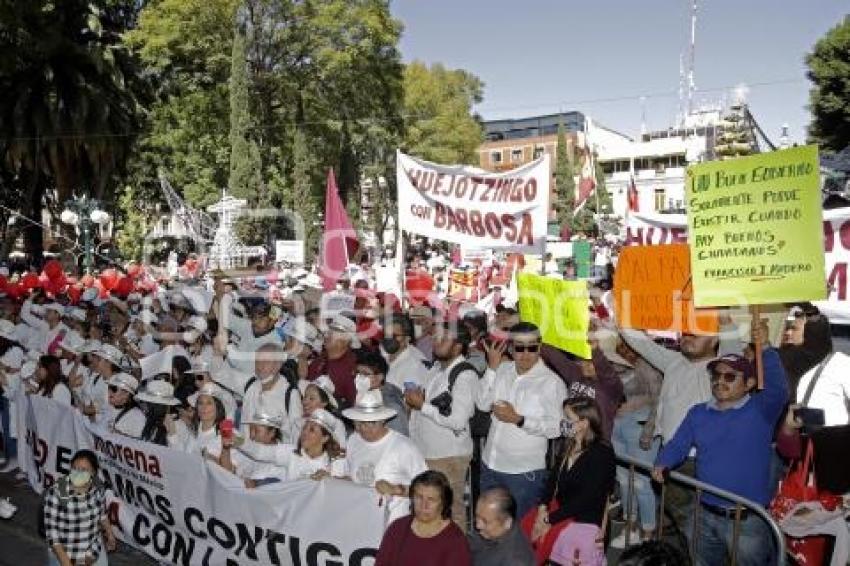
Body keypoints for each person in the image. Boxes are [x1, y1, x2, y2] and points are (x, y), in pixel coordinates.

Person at [652, 342, 788, 566]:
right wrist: (663, 461)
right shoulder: (698, 412)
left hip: (746, 521)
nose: (720, 381)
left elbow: (779, 390)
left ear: (749, 383)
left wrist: (765, 348)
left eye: (730, 377)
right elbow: (678, 444)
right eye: (716, 375)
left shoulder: (760, 411)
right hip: (703, 513)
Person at [477, 322, 566, 519]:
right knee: (488, 525)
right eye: (519, 348)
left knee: (520, 534)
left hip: (523, 473)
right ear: (510, 348)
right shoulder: (502, 370)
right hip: (489, 464)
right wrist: (491, 369)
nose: (526, 353)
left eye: (532, 347)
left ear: (540, 347)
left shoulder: (551, 383)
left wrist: (519, 420)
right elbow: (482, 404)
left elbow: (557, 428)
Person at [524, 396, 615, 566]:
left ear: (584, 423)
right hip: (560, 515)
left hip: (583, 521)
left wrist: (548, 520)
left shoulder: (601, 454)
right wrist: (543, 508)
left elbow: (588, 498)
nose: (563, 422)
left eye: (568, 418)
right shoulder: (568, 446)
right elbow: (552, 481)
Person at [406, 321, 478, 531]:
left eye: (443, 339)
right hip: (429, 452)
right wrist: (415, 406)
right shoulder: (437, 369)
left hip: (448, 456)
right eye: (436, 337)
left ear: (457, 346)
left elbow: (457, 420)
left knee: (451, 511)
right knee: (429, 510)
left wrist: (422, 406)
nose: (436, 342)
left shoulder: (464, 375)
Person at [342, 389, 427, 524]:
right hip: (360, 520)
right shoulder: (353, 441)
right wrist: (329, 480)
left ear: (383, 420)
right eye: (361, 423)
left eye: (372, 422)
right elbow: (350, 478)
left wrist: (395, 489)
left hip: (393, 524)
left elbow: (427, 488)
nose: (366, 428)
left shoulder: (403, 446)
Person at [375, 470, 472, 566]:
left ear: (443, 503)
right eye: (419, 497)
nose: (424, 505)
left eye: (431, 499)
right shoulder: (397, 528)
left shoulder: (455, 541)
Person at [230, 408, 346, 483]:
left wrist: (330, 480)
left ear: (325, 438)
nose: (304, 432)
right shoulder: (291, 453)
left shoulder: (335, 462)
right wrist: (237, 440)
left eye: (311, 430)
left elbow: (346, 490)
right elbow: (260, 452)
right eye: (305, 427)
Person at [43, 449, 117, 566]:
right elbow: (53, 535)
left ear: (93, 472)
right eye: (75, 468)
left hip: (92, 553)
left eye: (84, 470)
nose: (78, 473)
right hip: (65, 555)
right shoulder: (57, 492)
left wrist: (110, 534)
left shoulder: (97, 489)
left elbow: (101, 515)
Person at [241, 343, 303, 444]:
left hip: (276, 455)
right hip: (247, 452)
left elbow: (297, 433)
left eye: (266, 361)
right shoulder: (251, 386)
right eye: (258, 361)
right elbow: (220, 374)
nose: (260, 365)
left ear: (277, 365)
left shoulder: (290, 394)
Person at [468, 487, 534, 566]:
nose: (477, 525)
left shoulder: (515, 560)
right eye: (477, 516)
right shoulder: (494, 531)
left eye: (485, 521)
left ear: (507, 523)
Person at [308, 314, 360, 407]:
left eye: (332, 334)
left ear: (344, 341)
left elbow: (354, 405)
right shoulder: (318, 360)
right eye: (328, 332)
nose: (326, 336)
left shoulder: (352, 368)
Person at [355, 350, 408, 436]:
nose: (359, 377)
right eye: (358, 373)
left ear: (380, 377)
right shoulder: (366, 394)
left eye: (365, 374)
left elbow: (400, 437)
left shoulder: (391, 407)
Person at [166, 382, 226, 458]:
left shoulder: (225, 433)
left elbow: (238, 465)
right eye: (200, 403)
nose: (204, 407)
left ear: (218, 408)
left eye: (209, 403)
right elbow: (180, 458)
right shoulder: (192, 432)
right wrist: (172, 431)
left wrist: (213, 460)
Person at [382, 314, 427, 390]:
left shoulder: (414, 364)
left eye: (395, 335)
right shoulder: (383, 354)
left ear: (407, 338)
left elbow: (412, 399)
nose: (389, 339)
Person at [135, 380, 181, 446]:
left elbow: (178, 453)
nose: (146, 407)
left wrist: (172, 432)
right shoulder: (148, 421)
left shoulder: (176, 424)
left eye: (150, 404)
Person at [106, 373, 146, 439]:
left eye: (114, 389)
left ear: (126, 394)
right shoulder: (108, 408)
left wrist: (122, 437)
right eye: (109, 388)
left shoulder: (137, 417)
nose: (109, 392)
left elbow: (141, 445)